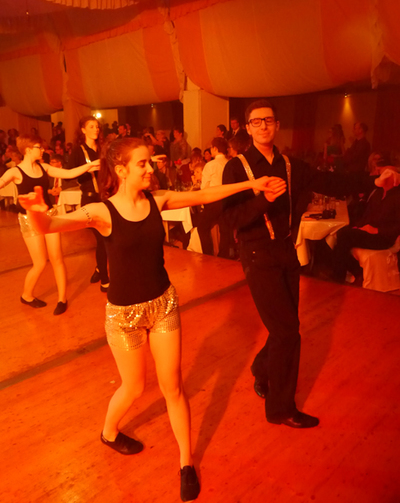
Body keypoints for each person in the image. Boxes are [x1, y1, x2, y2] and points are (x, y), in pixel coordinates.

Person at [18, 137, 280, 502]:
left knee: (173, 386)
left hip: (163, 306)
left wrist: (253, 184)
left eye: (149, 162)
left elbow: (206, 195)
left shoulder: (158, 201)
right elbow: (49, 225)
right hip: (123, 316)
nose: (150, 168)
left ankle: (186, 463)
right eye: (142, 163)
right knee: (134, 387)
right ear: (121, 170)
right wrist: (34, 210)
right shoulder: (102, 212)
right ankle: (109, 432)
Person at [222, 99, 380, 429]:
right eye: (256, 121)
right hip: (256, 255)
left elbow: (330, 182)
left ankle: (262, 367)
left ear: (277, 125)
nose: (263, 126)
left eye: (268, 120)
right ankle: (280, 409)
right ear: (248, 128)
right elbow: (232, 218)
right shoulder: (236, 168)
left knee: (286, 326)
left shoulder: (291, 165)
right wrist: (263, 200)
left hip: (285, 252)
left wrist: (372, 182)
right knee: (287, 332)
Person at [0, 134, 100, 314]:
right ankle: (26, 295)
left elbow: (69, 173)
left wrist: (90, 165)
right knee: (39, 263)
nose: (43, 150)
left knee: (57, 258)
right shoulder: (15, 172)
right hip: (29, 220)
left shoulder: (44, 167)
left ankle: (62, 299)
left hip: (50, 216)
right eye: (39, 147)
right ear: (28, 150)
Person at [332, 167, 400, 283]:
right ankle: (353, 272)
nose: (382, 176)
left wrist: (377, 230)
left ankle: (339, 278)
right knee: (340, 234)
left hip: (383, 237)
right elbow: (367, 214)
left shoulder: (397, 197)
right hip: (369, 231)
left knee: (344, 236)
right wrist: (359, 226)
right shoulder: (378, 193)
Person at [69, 116, 109, 292]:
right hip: (90, 199)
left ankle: (100, 268)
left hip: (105, 198)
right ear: (83, 130)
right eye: (91, 126)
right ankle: (105, 280)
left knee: (108, 238)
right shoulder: (78, 151)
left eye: (97, 126)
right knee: (102, 238)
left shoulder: (103, 149)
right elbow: (69, 174)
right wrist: (88, 167)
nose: (96, 129)